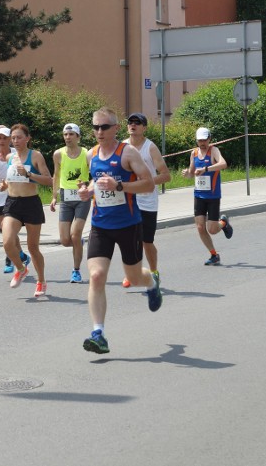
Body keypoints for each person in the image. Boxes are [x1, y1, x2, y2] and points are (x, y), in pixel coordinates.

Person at [78, 107, 161, 355]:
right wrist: (87, 191)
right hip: (101, 225)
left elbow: (147, 184)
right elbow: (93, 181)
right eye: (95, 127)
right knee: (96, 276)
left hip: (128, 225)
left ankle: (151, 281)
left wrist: (120, 185)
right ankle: (98, 333)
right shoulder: (91, 155)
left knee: (135, 278)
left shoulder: (128, 153)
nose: (99, 131)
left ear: (115, 128)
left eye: (104, 127)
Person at [0, 124, 52, 298]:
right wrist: (4, 185)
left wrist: (29, 175)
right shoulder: (9, 157)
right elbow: (10, 178)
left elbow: (48, 180)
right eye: (13, 138)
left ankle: (42, 281)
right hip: (12, 203)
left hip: (31, 204)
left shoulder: (35, 156)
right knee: (8, 242)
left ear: (27, 138)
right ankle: (21, 269)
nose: (15, 141)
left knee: (33, 247)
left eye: (19, 137)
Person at [121, 112, 171, 287]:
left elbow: (166, 176)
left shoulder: (150, 148)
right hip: (128, 201)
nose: (133, 125)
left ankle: (154, 271)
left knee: (146, 241)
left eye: (137, 123)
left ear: (144, 128)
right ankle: (132, 273)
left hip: (147, 201)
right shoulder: (122, 147)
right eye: (130, 122)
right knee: (129, 239)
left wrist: (145, 182)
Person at [0, 126, 30, 274]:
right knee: (9, 233)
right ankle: (21, 255)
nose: (1, 141)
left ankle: (10, 259)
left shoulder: (16, 154)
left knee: (7, 231)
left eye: (5, 138)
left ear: (10, 139)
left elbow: (26, 173)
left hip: (14, 197)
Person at [181, 127, 233, 266]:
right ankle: (214, 255)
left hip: (213, 195)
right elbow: (192, 173)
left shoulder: (213, 151)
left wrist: (206, 169)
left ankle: (223, 223)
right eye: (200, 140)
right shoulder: (194, 153)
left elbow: (223, 164)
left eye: (204, 140)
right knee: (200, 227)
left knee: (212, 230)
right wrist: (188, 174)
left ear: (209, 139)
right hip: (199, 195)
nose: (202, 143)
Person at [50, 123, 90, 283]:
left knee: (75, 234)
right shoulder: (58, 154)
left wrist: (87, 187)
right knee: (66, 240)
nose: (67, 137)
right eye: (65, 134)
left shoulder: (87, 154)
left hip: (82, 199)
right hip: (66, 199)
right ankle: (78, 242)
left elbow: (96, 172)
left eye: (71, 134)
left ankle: (76, 270)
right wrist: (54, 197)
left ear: (78, 137)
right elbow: (56, 175)